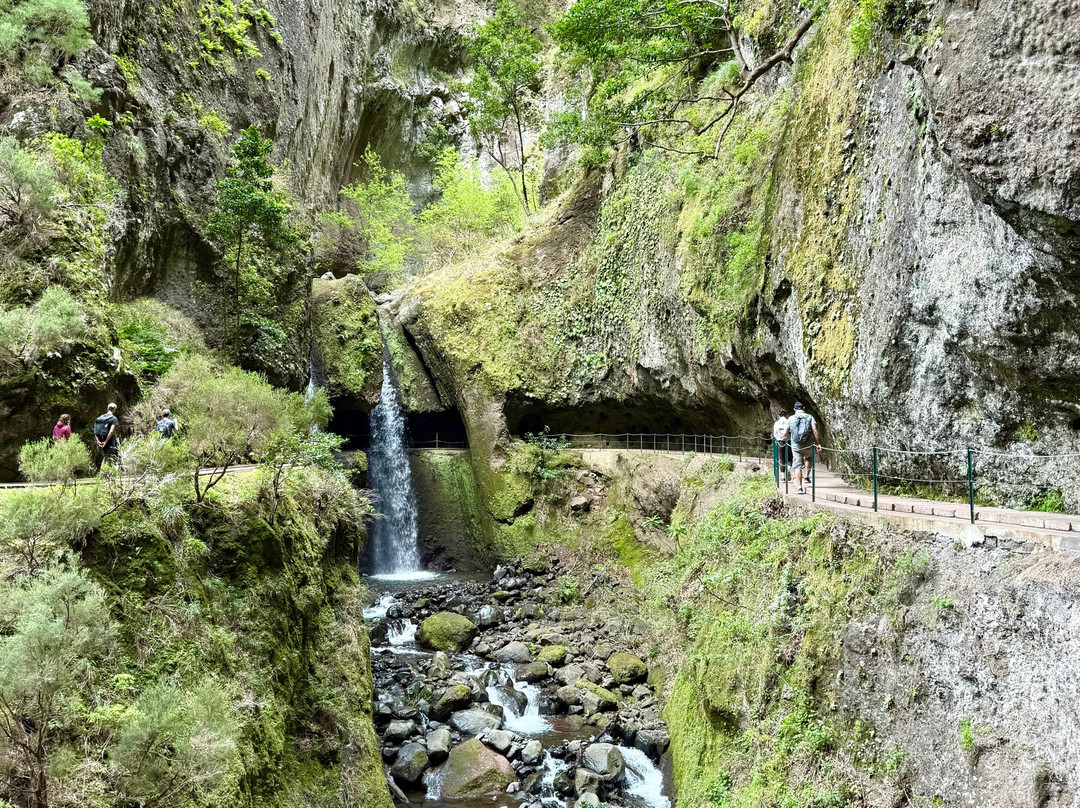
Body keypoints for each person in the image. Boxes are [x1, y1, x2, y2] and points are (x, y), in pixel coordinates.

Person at [787, 401, 821, 495]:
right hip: (809, 444)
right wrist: (818, 443)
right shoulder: (809, 417)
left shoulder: (790, 418)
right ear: (804, 408)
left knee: (798, 466)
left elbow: (785, 432)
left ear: (794, 409)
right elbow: (814, 430)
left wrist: (792, 438)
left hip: (796, 446)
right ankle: (806, 477)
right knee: (809, 458)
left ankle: (799, 488)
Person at [772, 408, 791, 482]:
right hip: (789, 441)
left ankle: (782, 477)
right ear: (785, 414)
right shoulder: (788, 422)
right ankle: (788, 471)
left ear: (778, 414)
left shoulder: (777, 423)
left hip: (781, 442)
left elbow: (775, 434)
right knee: (790, 458)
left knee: (782, 459)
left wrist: (778, 438)